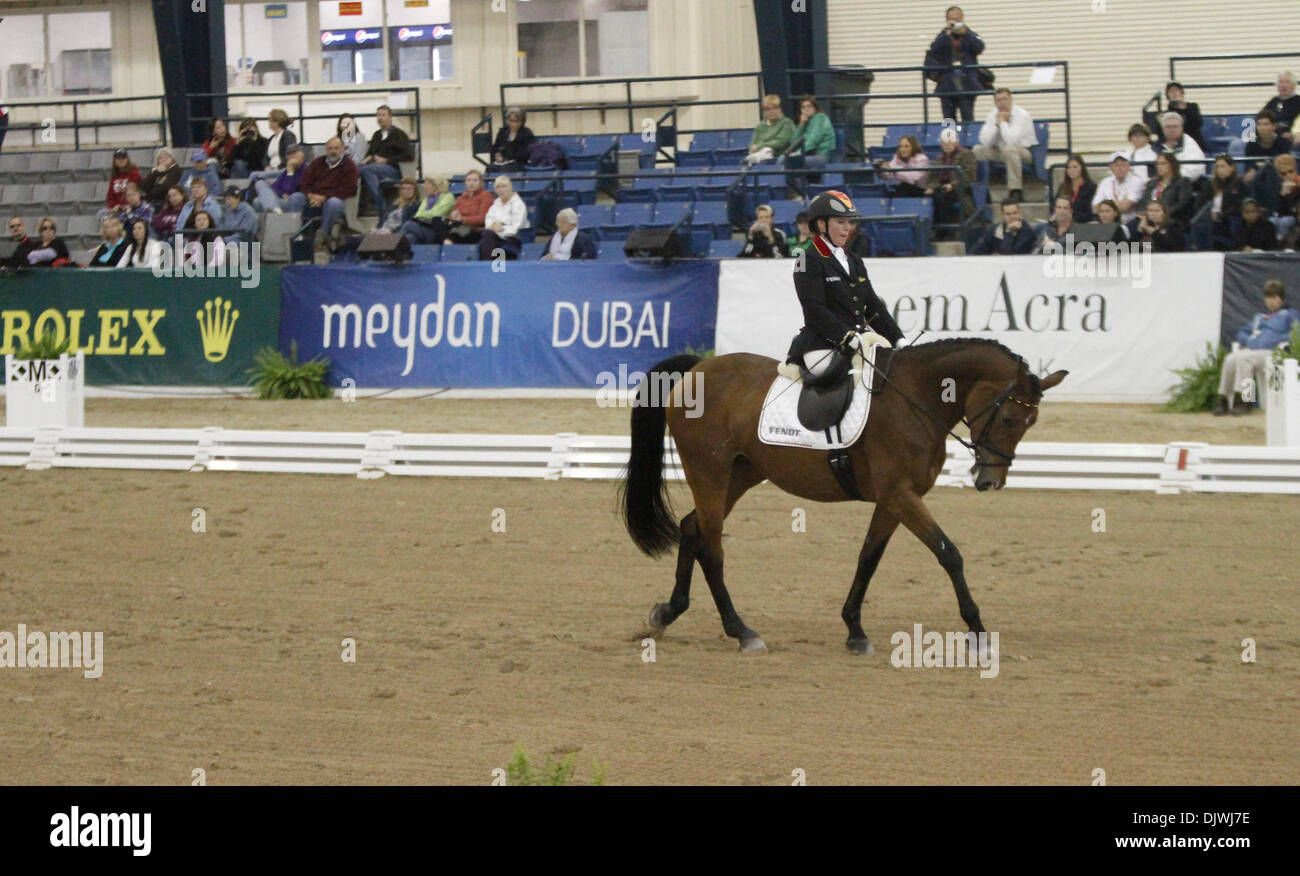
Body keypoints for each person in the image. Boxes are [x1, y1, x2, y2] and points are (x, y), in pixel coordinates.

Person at [785, 190, 904, 386]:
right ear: (821, 224)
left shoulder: (854, 260)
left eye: (849, 222)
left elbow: (873, 304)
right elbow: (814, 309)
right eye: (840, 222)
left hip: (859, 340)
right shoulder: (804, 259)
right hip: (822, 345)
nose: (847, 228)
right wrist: (846, 337)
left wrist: (898, 339)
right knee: (842, 378)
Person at [1215, 280, 1300, 415]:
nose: (1271, 301)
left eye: (1274, 298)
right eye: (1268, 298)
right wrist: (1249, 340)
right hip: (1254, 349)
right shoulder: (1260, 317)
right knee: (1230, 359)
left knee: (1244, 358)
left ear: (1281, 299)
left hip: (1273, 351)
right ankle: (1223, 399)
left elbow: (1296, 333)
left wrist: (1273, 340)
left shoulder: (1289, 314)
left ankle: (1245, 400)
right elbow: (1242, 332)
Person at [289, 136, 359, 249]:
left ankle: (322, 237)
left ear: (342, 149)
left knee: (334, 203)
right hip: (312, 200)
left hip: (335, 201)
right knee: (296, 197)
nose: (333, 151)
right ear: (326, 149)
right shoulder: (317, 163)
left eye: (336, 148)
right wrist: (311, 196)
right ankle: (295, 236)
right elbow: (304, 183)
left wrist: (324, 197)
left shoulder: (350, 166)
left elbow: (347, 189)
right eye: (330, 148)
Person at [972, 87, 1037, 202]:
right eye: (998, 100)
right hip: (1001, 151)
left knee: (1010, 149)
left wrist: (1002, 122)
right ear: (995, 102)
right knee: (977, 150)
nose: (1002, 103)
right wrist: (997, 125)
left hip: (1023, 153)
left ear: (1011, 99)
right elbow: (985, 141)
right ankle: (982, 189)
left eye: (1005, 99)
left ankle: (1015, 190)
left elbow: (1012, 140)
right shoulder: (993, 115)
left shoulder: (1022, 115)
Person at [926, 5, 985, 123]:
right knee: (948, 121)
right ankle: (949, 140)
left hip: (967, 84)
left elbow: (980, 47)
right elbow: (934, 49)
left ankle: (967, 141)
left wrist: (966, 33)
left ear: (963, 19)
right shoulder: (943, 35)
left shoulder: (970, 34)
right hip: (947, 84)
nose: (955, 23)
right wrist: (946, 34)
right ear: (947, 20)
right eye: (952, 20)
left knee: (968, 120)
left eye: (958, 20)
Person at [359, 104, 415, 216]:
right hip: (375, 167)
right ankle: (361, 207)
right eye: (378, 115)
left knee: (368, 171)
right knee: (357, 169)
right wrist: (367, 158)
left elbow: (408, 155)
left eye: (383, 115)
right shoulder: (376, 135)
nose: (381, 118)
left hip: (393, 169)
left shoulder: (399, 135)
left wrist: (387, 160)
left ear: (390, 117)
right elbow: (371, 153)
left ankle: (381, 205)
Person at [927, 126, 977, 235]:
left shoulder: (966, 155)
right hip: (942, 188)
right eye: (944, 142)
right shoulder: (938, 158)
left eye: (950, 141)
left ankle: (946, 231)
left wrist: (953, 185)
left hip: (960, 189)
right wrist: (931, 186)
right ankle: (933, 230)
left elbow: (970, 176)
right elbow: (932, 177)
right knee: (929, 197)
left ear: (956, 141)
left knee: (941, 197)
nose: (947, 144)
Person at [1195, 154, 1247, 251]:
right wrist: (1208, 214)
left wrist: (1221, 215)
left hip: (1229, 220)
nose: (1220, 169)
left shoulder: (1239, 185)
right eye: (1218, 167)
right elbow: (1199, 204)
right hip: (1210, 221)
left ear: (1232, 168)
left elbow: (1239, 206)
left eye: (1223, 166)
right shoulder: (1209, 185)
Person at [1136, 151, 1195, 230]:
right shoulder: (1151, 183)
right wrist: (1146, 215)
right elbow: (1143, 202)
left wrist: (1162, 214)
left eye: (1163, 163)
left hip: (1171, 219)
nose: (1159, 167)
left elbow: (1183, 204)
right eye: (1158, 164)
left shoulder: (1182, 182)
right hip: (1148, 218)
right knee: (1133, 226)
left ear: (1172, 165)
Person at [477, 175, 528, 261]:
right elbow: (489, 219)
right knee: (486, 237)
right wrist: (493, 226)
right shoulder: (495, 204)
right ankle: (487, 264)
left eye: (504, 186)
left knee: (486, 239)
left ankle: (486, 265)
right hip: (494, 234)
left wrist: (502, 229)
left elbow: (517, 226)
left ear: (510, 188)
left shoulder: (518, 204)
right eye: (498, 187)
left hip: (513, 237)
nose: (500, 190)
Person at [247, 108, 298, 189]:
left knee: (254, 175)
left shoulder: (288, 136)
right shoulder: (271, 138)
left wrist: (277, 167)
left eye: (270, 120)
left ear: (276, 122)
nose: (268, 122)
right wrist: (266, 166)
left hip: (282, 169)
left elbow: (289, 156)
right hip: (271, 170)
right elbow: (265, 157)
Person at [400, 175, 456, 246]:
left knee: (408, 225)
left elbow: (436, 214)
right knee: (410, 238)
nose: (424, 187)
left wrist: (425, 215)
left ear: (435, 185)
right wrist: (426, 215)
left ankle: (392, 248)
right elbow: (418, 215)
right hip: (423, 227)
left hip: (436, 230)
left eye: (426, 184)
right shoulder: (426, 200)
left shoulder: (448, 197)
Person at [444, 169, 494, 244]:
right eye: (469, 180)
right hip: (457, 226)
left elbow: (483, 218)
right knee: (437, 222)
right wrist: (452, 217)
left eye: (475, 180)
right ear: (465, 182)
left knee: (455, 231)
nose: (471, 183)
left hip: (474, 229)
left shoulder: (485, 196)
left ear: (480, 182)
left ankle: (447, 244)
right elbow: (454, 216)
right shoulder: (461, 198)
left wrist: (462, 219)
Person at [1091, 152, 1144, 224]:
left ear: (1128, 166)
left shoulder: (1136, 181)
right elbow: (1095, 208)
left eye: (1123, 165)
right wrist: (1119, 203)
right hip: (1106, 222)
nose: (1120, 168)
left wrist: (1107, 204)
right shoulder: (1105, 182)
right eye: (1116, 165)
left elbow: (1125, 207)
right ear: (1111, 167)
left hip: (1128, 222)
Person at [253, 143, 306, 213]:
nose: (292, 156)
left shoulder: (307, 169)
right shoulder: (286, 171)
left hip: (294, 202)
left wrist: (290, 172)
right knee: (259, 183)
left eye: (295, 153)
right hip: (280, 199)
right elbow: (274, 187)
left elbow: (289, 191)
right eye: (289, 154)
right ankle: (275, 210)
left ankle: (274, 211)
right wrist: (281, 193)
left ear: (302, 154)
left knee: (258, 202)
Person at [970, 200, 1036, 255]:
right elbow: (977, 251)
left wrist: (1008, 232)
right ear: (1002, 215)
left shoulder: (1027, 232)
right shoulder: (995, 229)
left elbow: (1008, 255)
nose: (1012, 217)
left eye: (1015, 213)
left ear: (1019, 213)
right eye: (1008, 214)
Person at [745, 94, 796, 166]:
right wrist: (755, 148)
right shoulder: (760, 126)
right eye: (768, 109)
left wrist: (761, 146)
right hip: (759, 155)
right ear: (764, 111)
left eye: (775, 108)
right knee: (743, 163)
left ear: (780, 109)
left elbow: (781, 142)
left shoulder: (787, 123)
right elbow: (753, 144)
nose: (772, 111)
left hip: (779, 157)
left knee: (766, 153)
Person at [788, 96, 835, 170]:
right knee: (785, 160)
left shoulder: (821, 118)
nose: (806, 109)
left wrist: (797, 154)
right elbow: (793, 143)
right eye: (803, 107)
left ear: (815, 108)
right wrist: (801, 125)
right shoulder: (806, 123)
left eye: (809, 106)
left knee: (788, 161)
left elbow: (813, 140)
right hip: (809, 155)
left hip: (822, 156)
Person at [1157, 112, 1205, 180]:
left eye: (1175, 126)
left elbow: (1194, 171)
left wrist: (1169, 178)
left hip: (1183, 186)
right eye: (1168, 127)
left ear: (1182, 128)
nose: (1172, 129)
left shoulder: (1190, 145)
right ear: (1162, 129)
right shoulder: (1155, 147)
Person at [488, 106, 535, 174]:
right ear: (507, 120)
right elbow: (495, 148)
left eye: (517, 121)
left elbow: (527, 152)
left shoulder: (526, 133)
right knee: (491, 168)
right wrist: (497, 155)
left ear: (522, 121)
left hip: (519, 163)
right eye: (511, 121)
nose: (514, 124)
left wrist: (510, 156)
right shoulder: (502, 132)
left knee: (505, 169)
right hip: (502, 162)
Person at [1054, 154, 1096, 223]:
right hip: (1062, 223)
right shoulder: (1063, 187)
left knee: (1070, 233)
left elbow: (1089, 212)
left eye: (1075, 167)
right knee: (1040, 228)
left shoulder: (1091, 187)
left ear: (1081, 168)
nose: (1071, 170)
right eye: (1069, 168)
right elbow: (1055, 206)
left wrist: (1072, 217)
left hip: (1081, 224)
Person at [1163, 82, 1205, 149]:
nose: (1174, 93)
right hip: (1176, 142)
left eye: (1176, 90)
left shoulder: (1193, 106)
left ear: (1182, 93)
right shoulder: (1167, 113)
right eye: (1170, 91)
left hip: (1194, 140)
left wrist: (1184, 107)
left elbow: (1198, 123)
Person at [1260, 71, 1299, 138]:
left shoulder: (1298, 101)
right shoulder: (1273, 101)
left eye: (1287, 82)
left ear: (1293, 85)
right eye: (1281, 82)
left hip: (1290, 136)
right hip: (1270, 136)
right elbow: (1261, 117)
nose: (1284, 85)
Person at [104, 148, 142, 216]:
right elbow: (110, 195)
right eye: (118, 159)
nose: (121, 161)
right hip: (116, 207)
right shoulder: (114, 175)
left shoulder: (134, 174)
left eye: (123, 158)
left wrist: (121, 206)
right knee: (102, 214)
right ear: (114, 160)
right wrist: (111, 207)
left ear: (127, 159)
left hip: (131, 207)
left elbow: (134, 194)